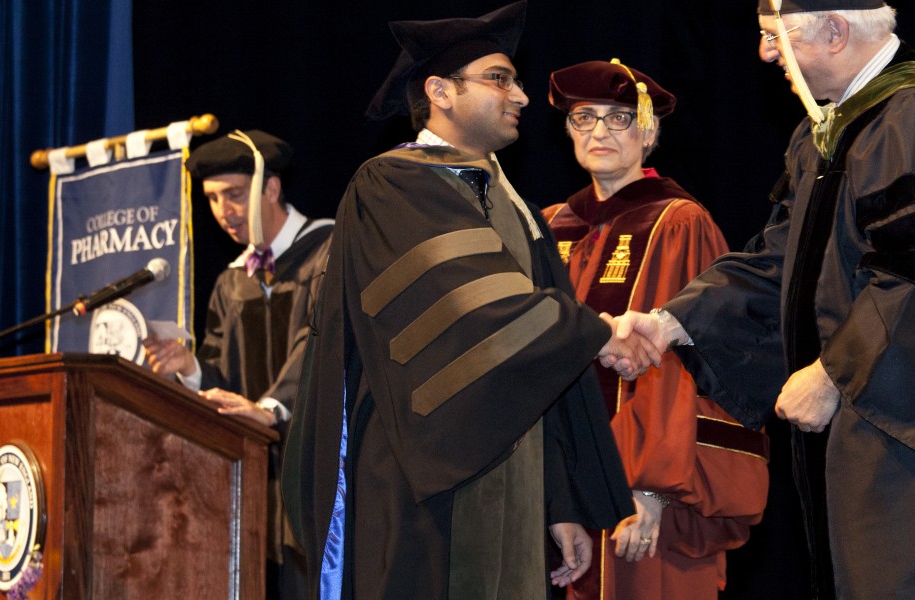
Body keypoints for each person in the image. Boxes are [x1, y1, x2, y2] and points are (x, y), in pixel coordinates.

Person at [613, 1, 915, 597]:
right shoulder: (826, 130)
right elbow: (783, 257)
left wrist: (834, 373)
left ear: (834, 31)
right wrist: (670, 323)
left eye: (773, 36)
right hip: (860, 431)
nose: (765, 53)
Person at [280, 3, 655, 599]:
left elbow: (534, 367)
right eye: (500, 79)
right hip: (421, 480)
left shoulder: (515, 206)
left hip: (511, 477)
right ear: (440, 91)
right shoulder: (394, 183)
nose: (523, 97)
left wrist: (557, 500)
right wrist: (599, 332)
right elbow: (475, 312)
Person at [541, 59, 770, 600]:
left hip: (645, 485)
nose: (599, 131)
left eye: (618, 118)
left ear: (648, 131)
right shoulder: (550, 226)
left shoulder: (678, 222)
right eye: (584, 118)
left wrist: (653, 488)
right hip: (562, 491)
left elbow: (693, 364)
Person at [143, 129, 331, 600]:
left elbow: (321, 342)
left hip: (320, 472)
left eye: (233, 194)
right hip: (256, 486)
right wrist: (189, 367)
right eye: (211, 199)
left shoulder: (329, 250)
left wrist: (270, 408)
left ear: (270, 187)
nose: (223, 212)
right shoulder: (232, 282)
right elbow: (222, 377)